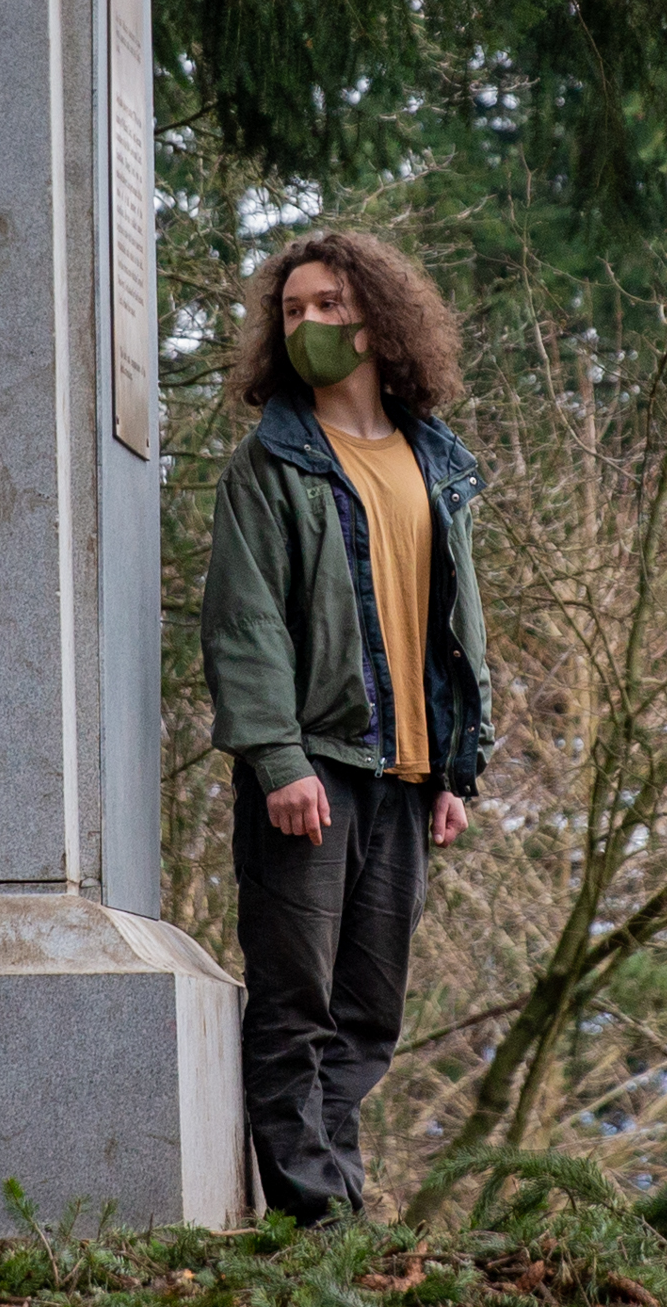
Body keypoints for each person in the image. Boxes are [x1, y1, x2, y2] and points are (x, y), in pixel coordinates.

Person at [199, 230, 494, 1222]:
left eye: (329, 304)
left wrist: (457, 768)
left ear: (379, 317)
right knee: (296, 1004)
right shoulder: (271, 465)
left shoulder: (435, 464)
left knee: (370, 1011)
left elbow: (452, 628)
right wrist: (277, 761)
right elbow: (243, 625)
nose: (310, 324)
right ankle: (311, 1218)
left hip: (408, 775)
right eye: (292, 311)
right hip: (311, 772)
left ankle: (339, 1207)